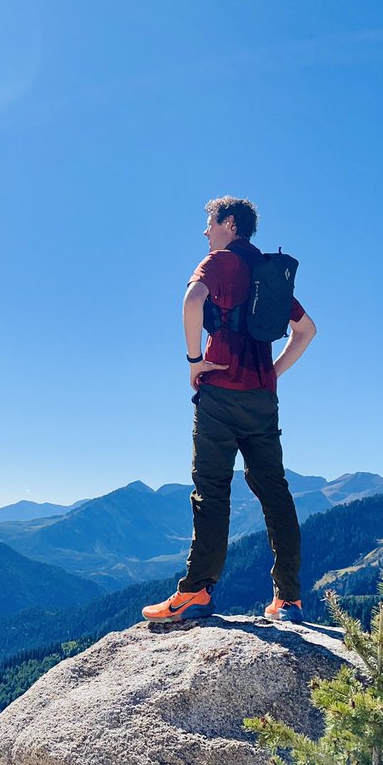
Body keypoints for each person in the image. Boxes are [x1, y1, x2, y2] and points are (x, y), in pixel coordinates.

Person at [142, 196, 317, 624]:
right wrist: (271, 372)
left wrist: (193, 361)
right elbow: (307, 331)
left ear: (230, 224)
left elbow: (191, 301)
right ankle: (289, 600)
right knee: (275, 493)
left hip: (220, 392)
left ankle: (196, 592)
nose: (205, 231)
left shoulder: (220, 263)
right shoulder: (269, 272)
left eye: (210, 223)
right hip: (262, 399)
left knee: (212, 492)